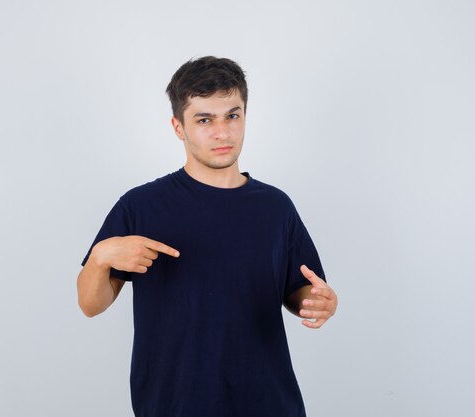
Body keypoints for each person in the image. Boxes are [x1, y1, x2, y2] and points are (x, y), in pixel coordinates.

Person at [77, 56, 338, 417]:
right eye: (204, 120)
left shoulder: (276, 207)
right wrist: (100, 257)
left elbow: (302, 291)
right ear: (178, 127)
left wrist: (321, 302)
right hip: (175, 404)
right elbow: (92, 304)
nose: (222, 132)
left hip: (269, 403)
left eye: (232, 115)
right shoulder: (141, 206)